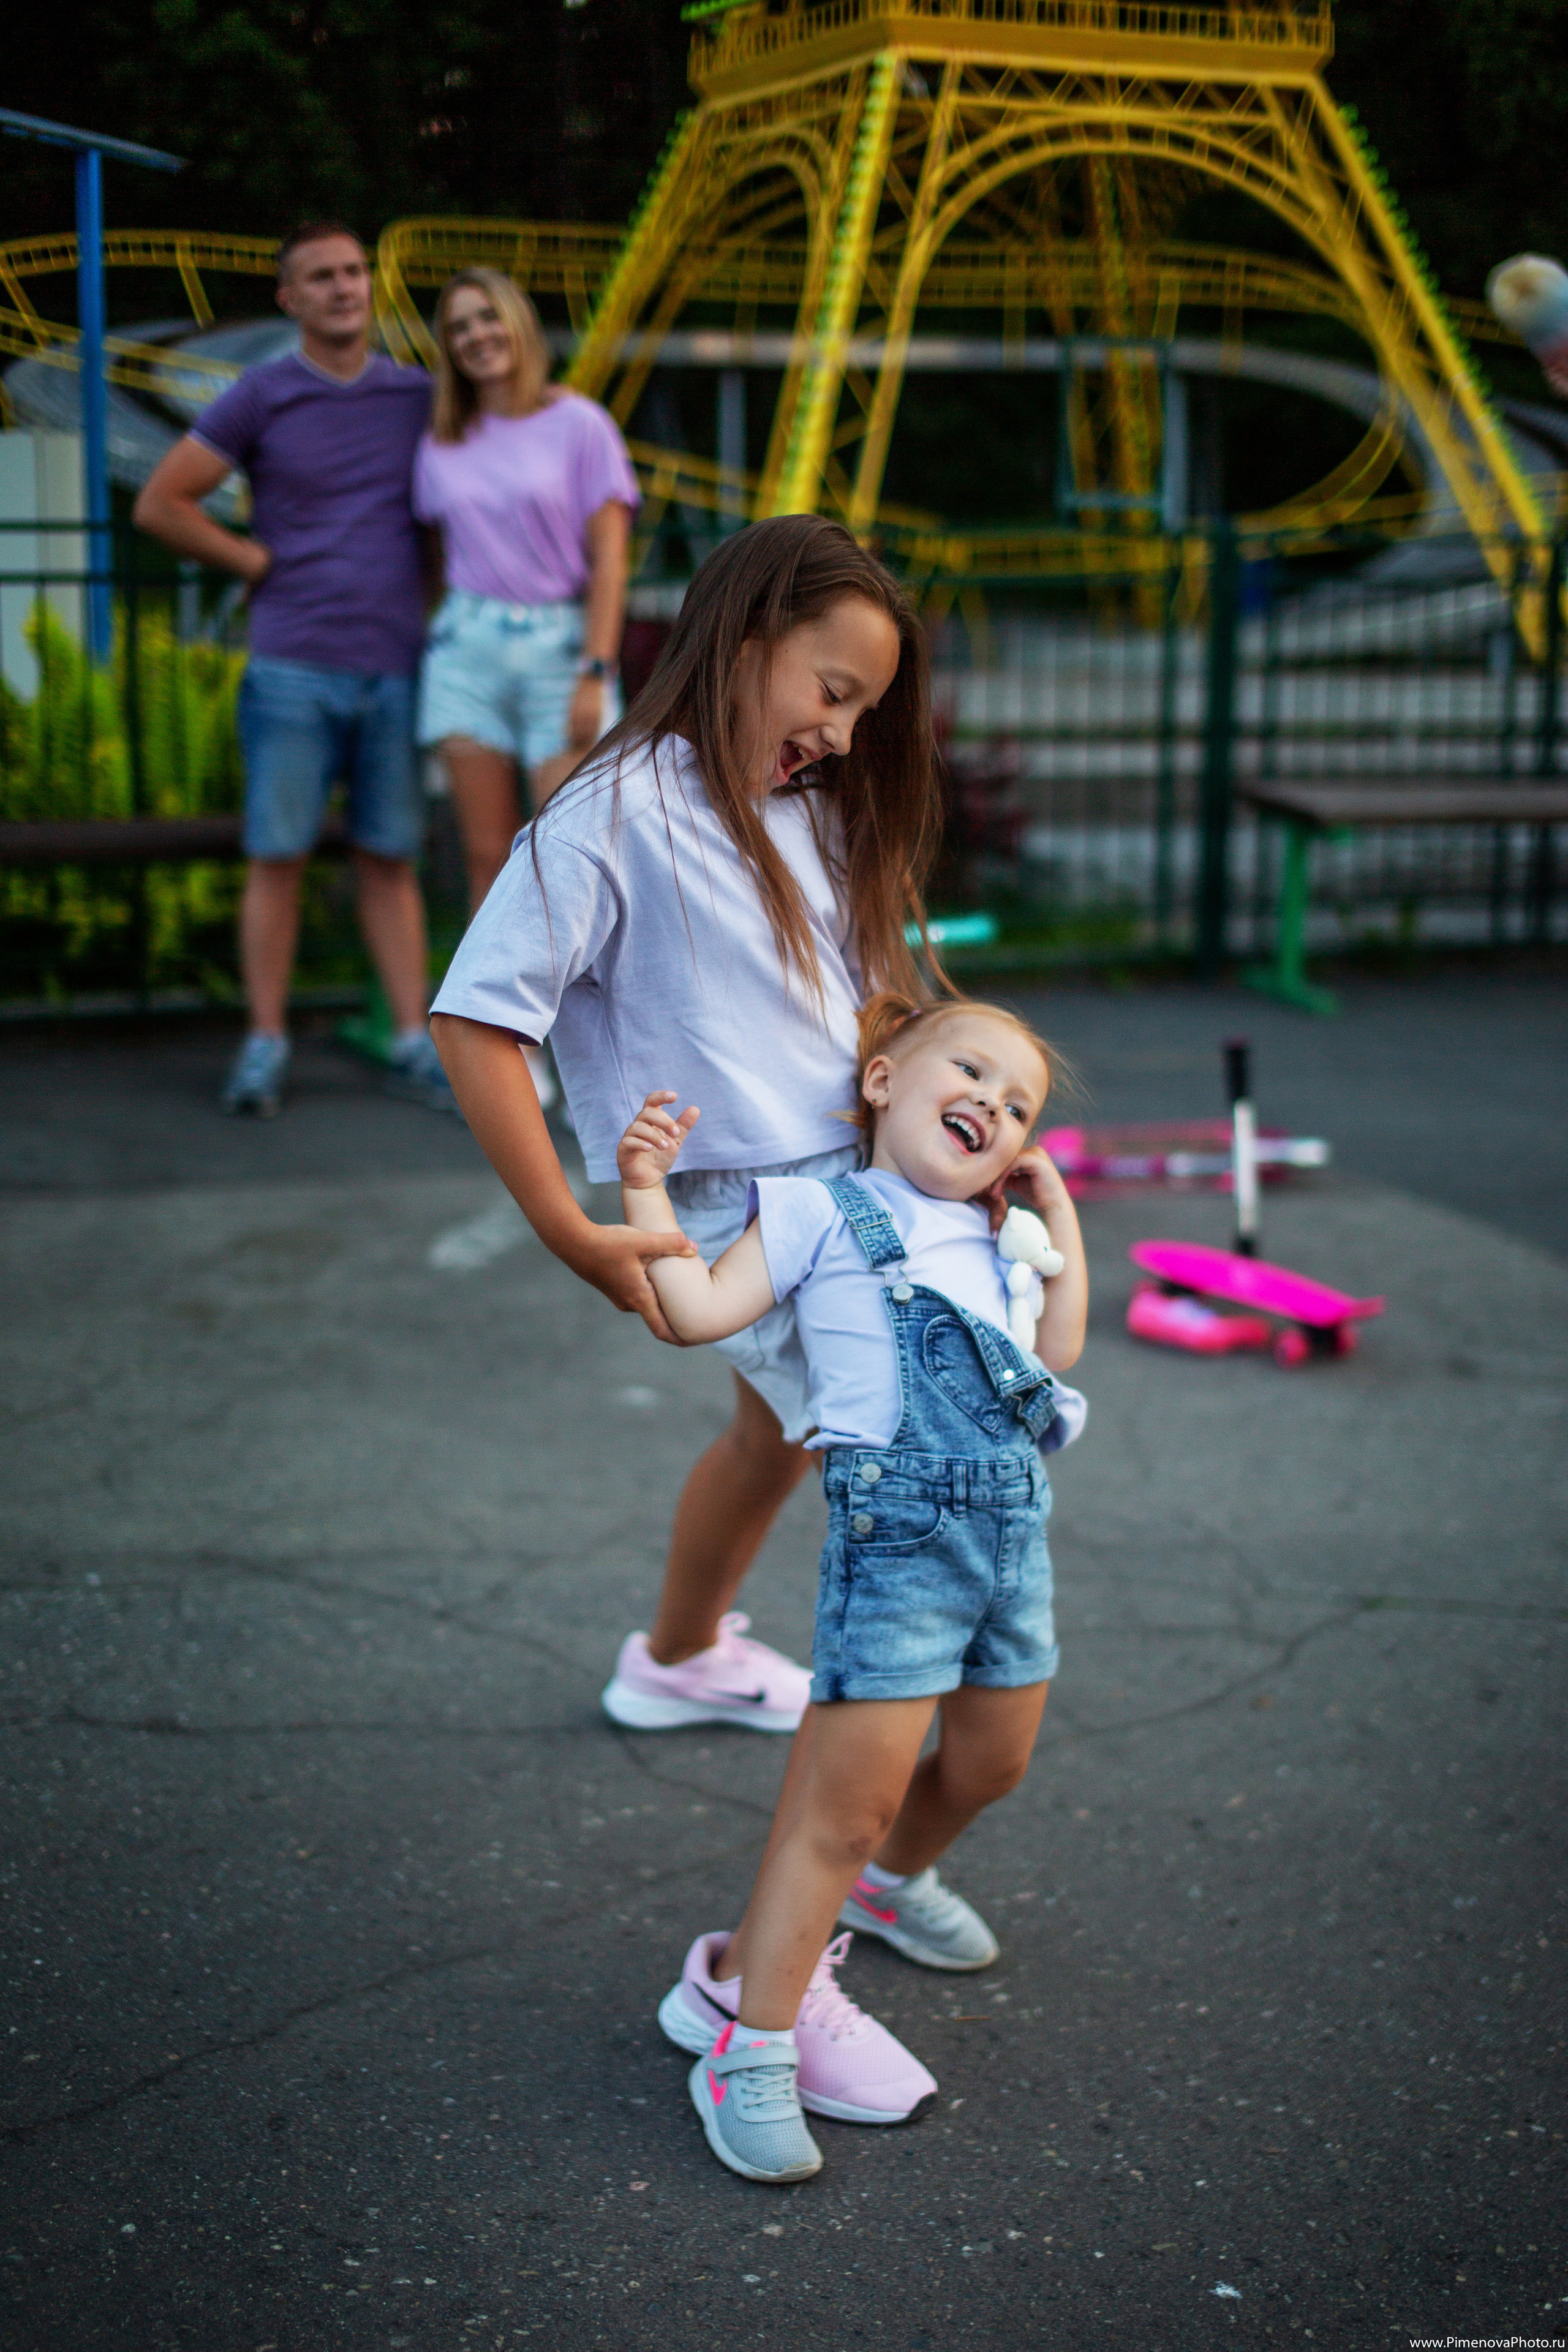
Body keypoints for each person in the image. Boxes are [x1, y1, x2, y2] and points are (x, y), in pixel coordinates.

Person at [430, 517, 941, 1747]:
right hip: (745, 1211)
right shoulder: (612, 811)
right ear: (744, 639)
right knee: (902, 1457)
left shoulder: (802, 813)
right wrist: (567, 1225)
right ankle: (874, 1763)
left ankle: (676, 1657)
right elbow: (475, 1022)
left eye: (864, 713)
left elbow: (850, 1012)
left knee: (771, 1443)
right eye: (832, 692)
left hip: (845, 1189)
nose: (840, 733)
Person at [619, 992, 1088, 2182]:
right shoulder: (819, 1210)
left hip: (1010, 1541)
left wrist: (1060, 1235)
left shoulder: (995, 1240)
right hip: (895, 1547)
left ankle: (889, 1892)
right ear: (880, 1082)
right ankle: (750, 2044)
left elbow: (1057, 1356)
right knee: (842, 1811)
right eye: (970, 1069)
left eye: (1017, 1101)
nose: (992, 1099)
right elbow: (691, 1311)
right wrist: (644, 1195)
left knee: (991, 1763)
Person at [133, 221, 452, 1118]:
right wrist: (256, 564)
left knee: (390, 859)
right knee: (278, 858)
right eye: (322, 277)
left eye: (354, 272)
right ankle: (265, 1045)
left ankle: (409, 1041)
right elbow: (163, 502)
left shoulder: (419, 397)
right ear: (290, 299)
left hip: (395, 666)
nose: (345, 288)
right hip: (291, 667)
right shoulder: (262, 395)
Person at [413, 268, 640, 911]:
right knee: (485, 857)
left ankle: (577, 1012)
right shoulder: (440, 441)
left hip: (562, 650)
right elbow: (437, 552)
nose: (476, 335)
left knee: (564, 852)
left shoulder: (581, 424)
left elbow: (611, 559)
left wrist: (595, 670)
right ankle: (488, 1013)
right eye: (458, 327)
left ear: (516, 323)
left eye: (487, 316)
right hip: (468, 648)